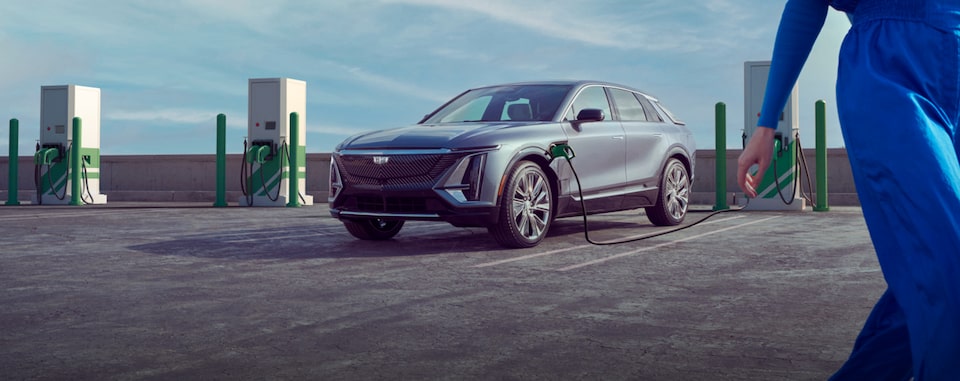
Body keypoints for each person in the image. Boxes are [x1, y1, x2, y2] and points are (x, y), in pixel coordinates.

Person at [737, 0, 960, 379]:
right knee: (946, 265)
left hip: (951, 61)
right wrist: (767, 120)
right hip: (890, 72)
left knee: (928, 286)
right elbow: (805, 6)